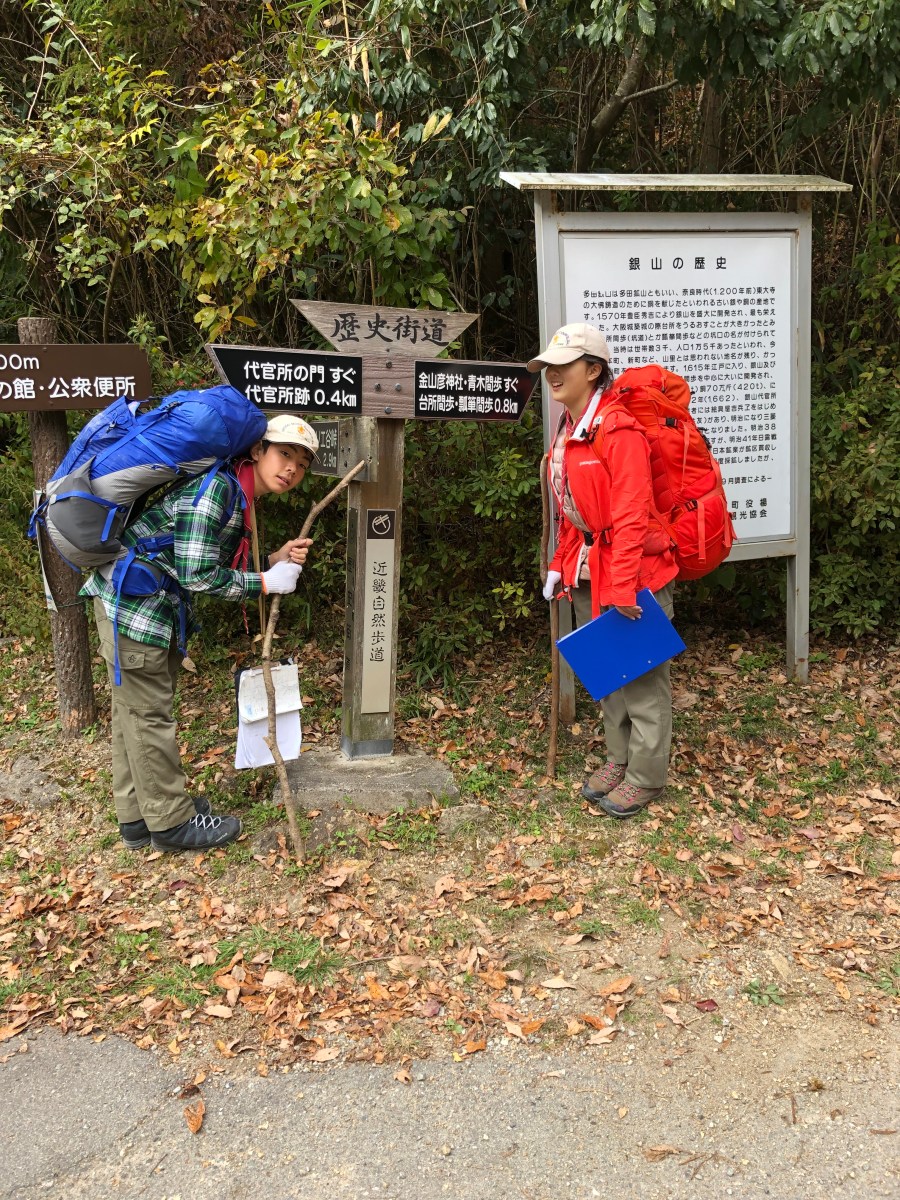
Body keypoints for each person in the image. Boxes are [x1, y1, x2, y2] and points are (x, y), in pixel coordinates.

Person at [82, 414, 319, 852]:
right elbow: (197, 574)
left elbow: (202, 557)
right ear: (257, 450)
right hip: (135, 611)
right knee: (148, 715)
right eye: (284, 454)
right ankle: (171, 824)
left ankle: (137, 819)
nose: (292, 468)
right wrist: (265, 582)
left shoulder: (235, 491)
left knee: (133, 714)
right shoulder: (218, 490)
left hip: (146, 606)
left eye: (302, 464)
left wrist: (271, 561)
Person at [529, 323, 679, 818]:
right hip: (589, 568)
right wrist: (560, 565)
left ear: (593, 370)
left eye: (563, 365)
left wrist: (624, 585)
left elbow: (632, 513)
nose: (552, 374)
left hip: (633, 572)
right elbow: (575, 511)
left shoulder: (618, 429)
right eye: (548, 366)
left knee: (641, 679)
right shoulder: (570, 428)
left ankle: (646, 777)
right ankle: (620, 758)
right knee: (607, 673)